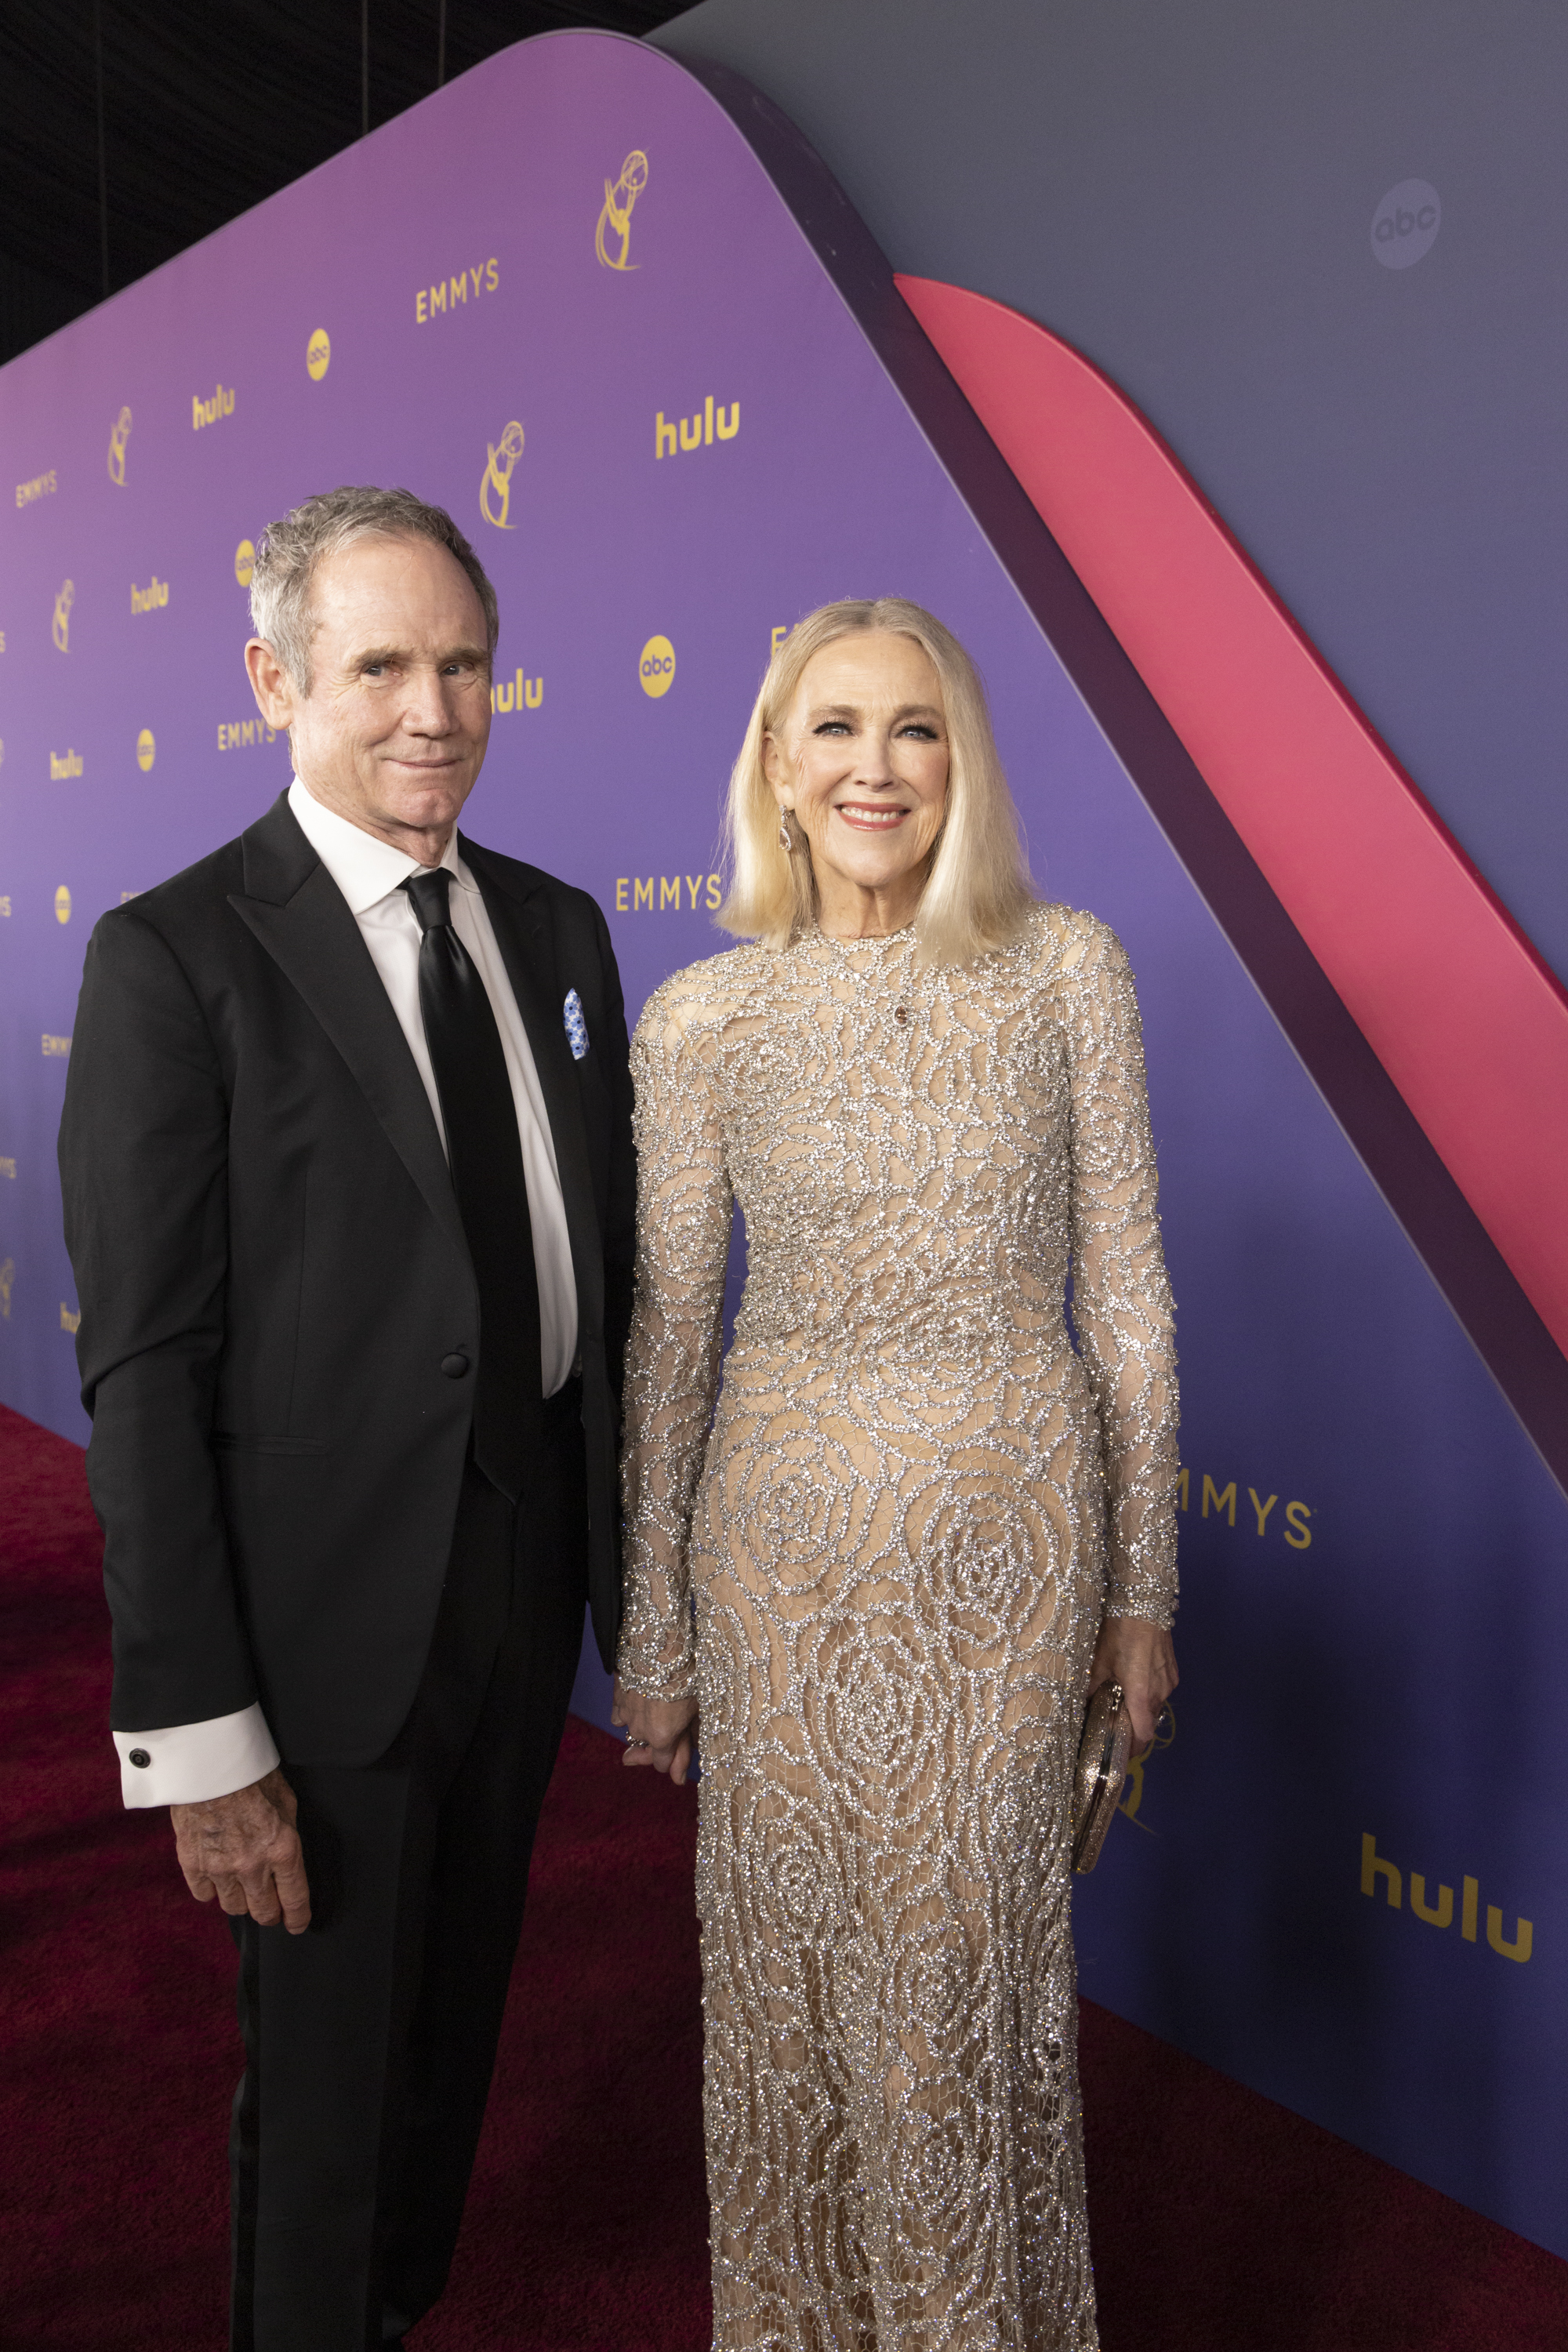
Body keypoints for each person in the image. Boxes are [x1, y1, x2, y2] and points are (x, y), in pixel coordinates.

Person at [58, 486, 635, 2352]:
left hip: (524, 1578)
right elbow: (143, 1372)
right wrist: (198, 1735)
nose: (432, 709)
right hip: (313, 1641)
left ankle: (398, 2313)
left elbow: (592, 1277)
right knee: (314, 2108)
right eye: (380, 664)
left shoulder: (553, 930)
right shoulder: (175, 959)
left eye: (462, 661)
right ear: (273, 679)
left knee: (455, 2032)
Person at [612, 599, 1179, 2350]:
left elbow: (1131, 1297)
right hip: (776, 1553)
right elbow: (672, 1341)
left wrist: (1144, 1589)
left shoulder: (1064, 965)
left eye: (915, 729)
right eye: (836, 727)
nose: (876, 766)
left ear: (964, 764)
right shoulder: (702, 1016)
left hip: (1001, 1549)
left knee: (954, 1979)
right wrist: (654, 1626)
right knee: (783, 1986)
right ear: (776, 766)